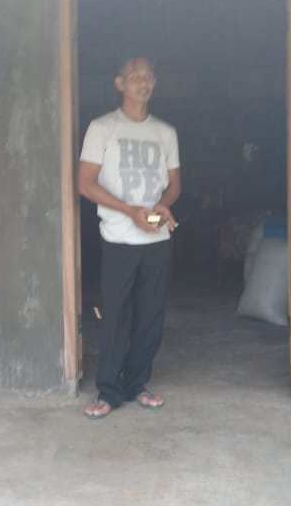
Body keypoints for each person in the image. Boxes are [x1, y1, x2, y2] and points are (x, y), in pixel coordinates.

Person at [78, 56, 181, 420]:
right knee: (115, 317)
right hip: (118, 237)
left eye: (149, 76)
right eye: (135, 76)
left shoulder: (166, 132)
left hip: (156, 239)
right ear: (120, 83)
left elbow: (174, 184)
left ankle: (137, 384)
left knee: (150, 316)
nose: (143, 81)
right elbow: (85, 183)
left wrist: (163, 205)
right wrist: (129, 211)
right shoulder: (102, 128)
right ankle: (109, 390)